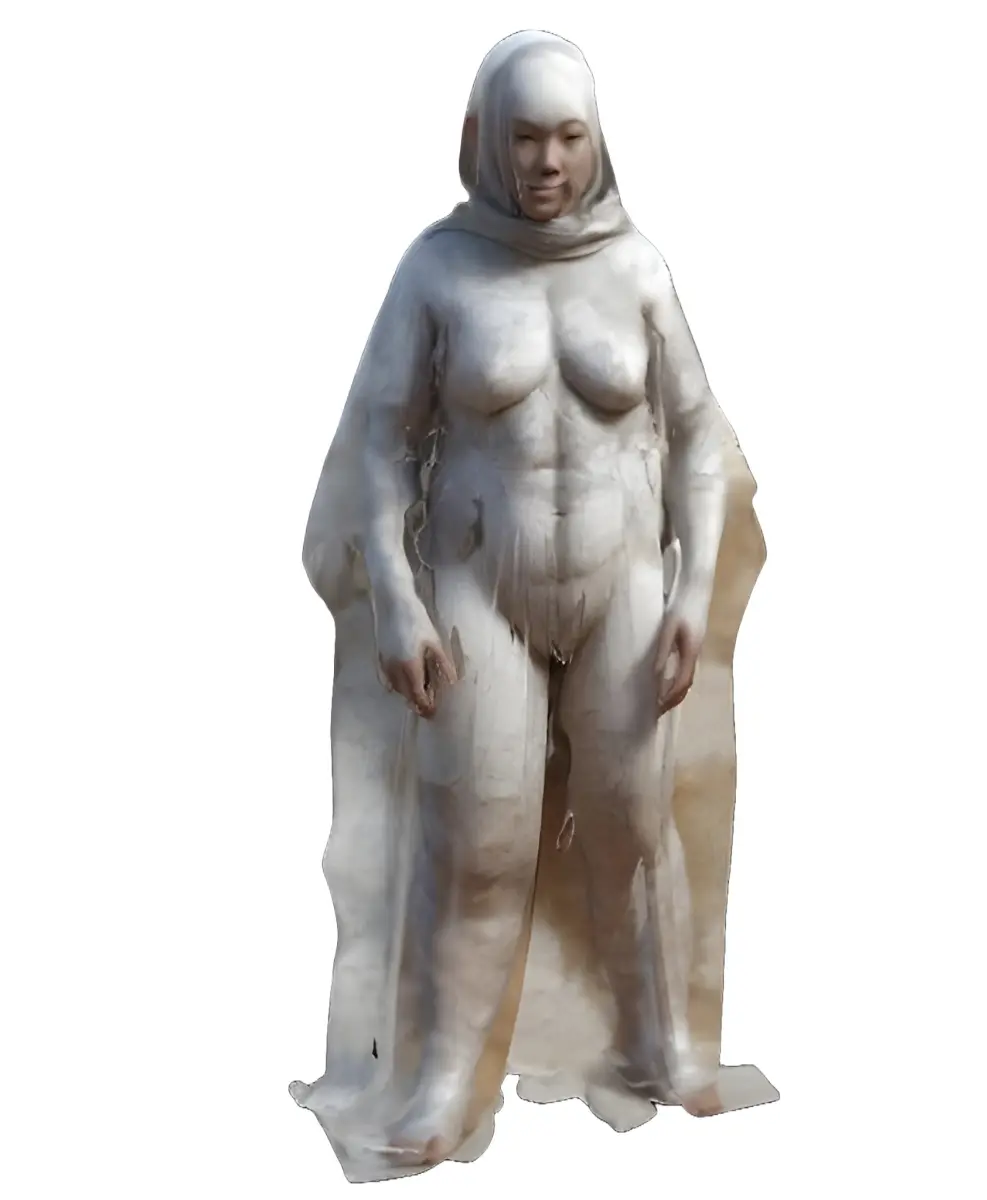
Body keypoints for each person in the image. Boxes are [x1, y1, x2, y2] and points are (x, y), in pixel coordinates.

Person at [292, 30, 773, 1182]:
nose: (547, 163)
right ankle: (441, 1080)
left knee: (633, 827)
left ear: (596, 142)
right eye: (524, 138)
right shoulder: (437, 271)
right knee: (478, 840)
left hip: (624, 588)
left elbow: (699, 440)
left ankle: (664, 1046)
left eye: (568, 138)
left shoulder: (638, 268)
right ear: (482, 139)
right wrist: (394, 596)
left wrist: (694, 592)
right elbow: (378, 444)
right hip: (480, 586)